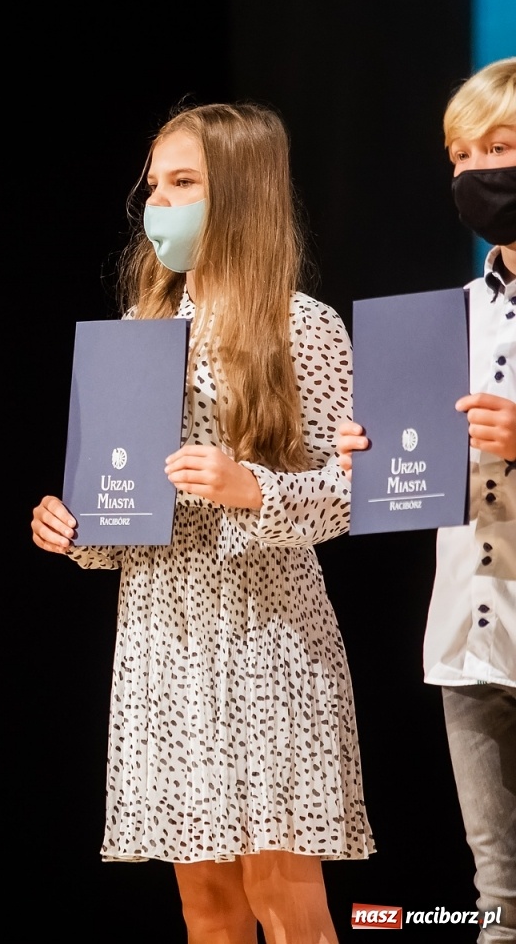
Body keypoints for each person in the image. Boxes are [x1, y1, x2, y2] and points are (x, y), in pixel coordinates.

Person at [30, 102, 371, 944]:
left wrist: (247, 488)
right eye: (156, 186)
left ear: (243, 196)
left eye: (185, 183)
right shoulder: (142, 335)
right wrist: (76, 529)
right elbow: (124, 507)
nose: (161, 205)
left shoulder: (303, 327)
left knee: (283, 898)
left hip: (266, 638)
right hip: (163, 640)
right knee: (206, 908)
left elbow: (346, 495)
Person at [337, 57, 516, 943]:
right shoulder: (449, 318)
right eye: (460, 154)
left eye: (501, 147)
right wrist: (365, 460)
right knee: (497, 909)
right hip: (473, 635)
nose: (477, 171)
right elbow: (400, 472)